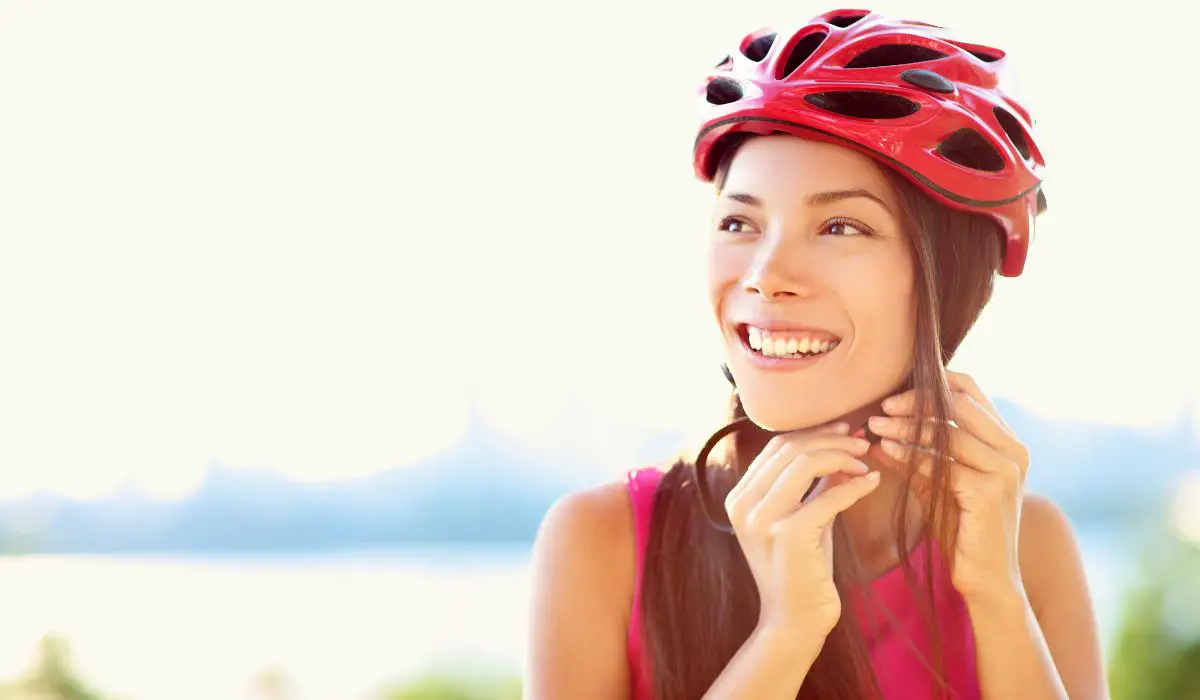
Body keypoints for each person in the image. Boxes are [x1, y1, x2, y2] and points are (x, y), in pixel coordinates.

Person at [524, 9, 1107, 700]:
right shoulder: (603, 545)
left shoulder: (1025, 545)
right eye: (739, 221)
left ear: (946, 279)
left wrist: (997, 599)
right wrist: (785, 635)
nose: (767, 274)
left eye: (839, 225)